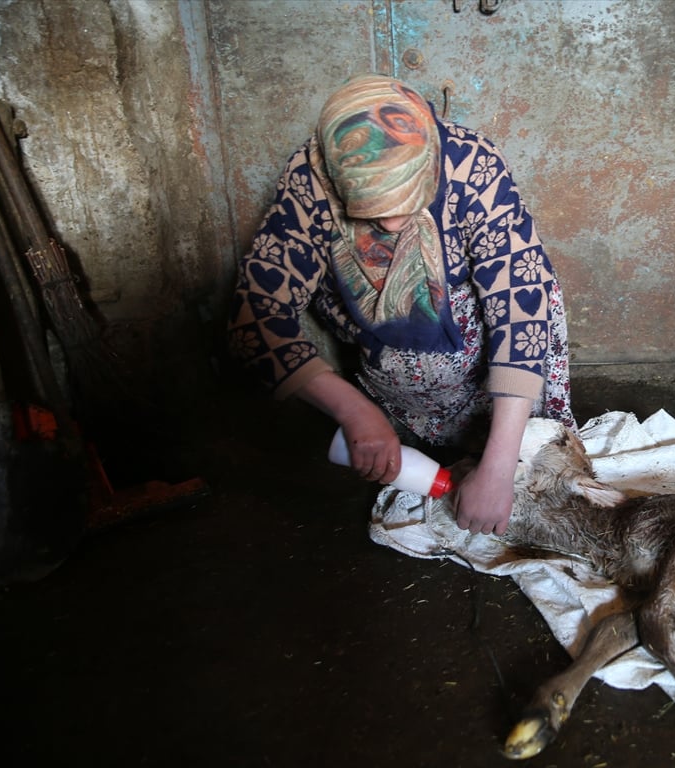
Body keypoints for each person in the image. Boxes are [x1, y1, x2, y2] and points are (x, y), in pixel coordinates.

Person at [228, 73, 575, 536]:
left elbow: (520, 304)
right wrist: (353, 410)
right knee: (408, 447)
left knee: (534, 289)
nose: (391, 224)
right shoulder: (311, 181)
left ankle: (500, 441)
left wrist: (499, 467)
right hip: (392, 359)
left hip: (479, 342)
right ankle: (426, 433)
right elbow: (255, 312)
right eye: (372, 208)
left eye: (408, 200)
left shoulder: (470, 163)